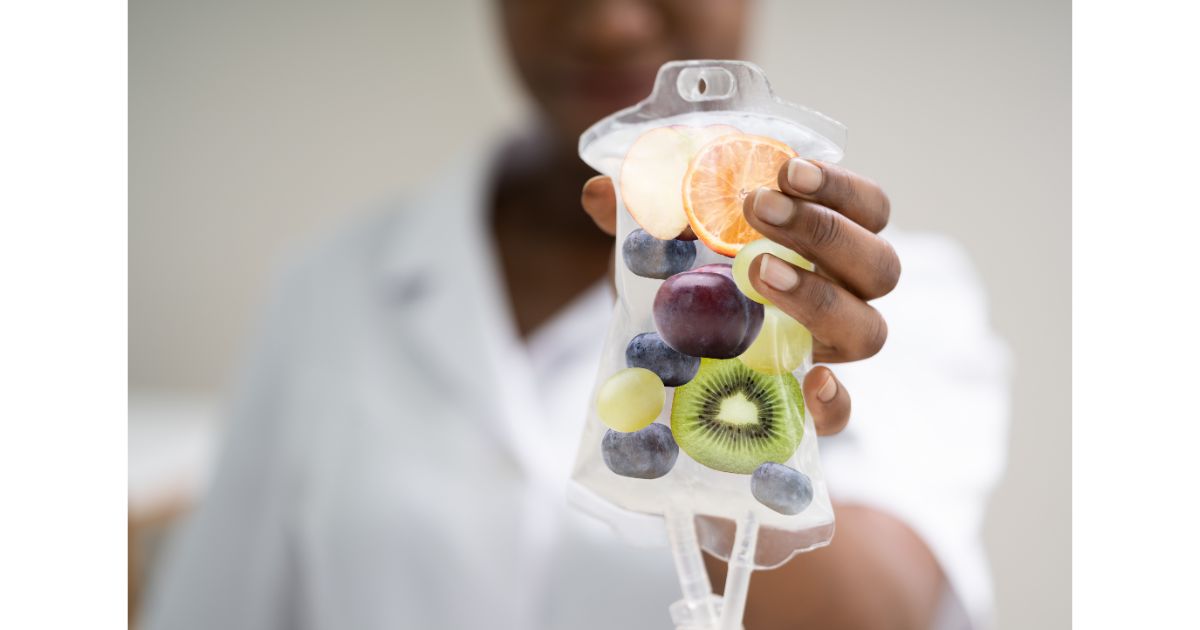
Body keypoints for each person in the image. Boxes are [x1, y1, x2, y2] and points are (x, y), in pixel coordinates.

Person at [143, 1, 1009, 629]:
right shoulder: (329, 289)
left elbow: (872, 613)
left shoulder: (893, 294)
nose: (608, 24)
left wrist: (717, 367)